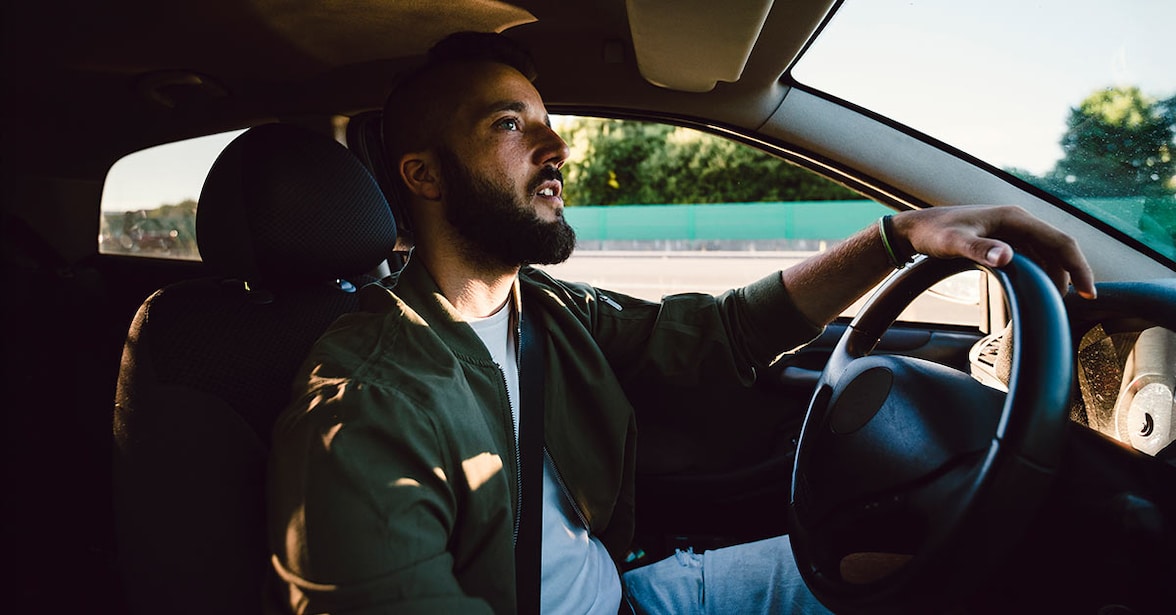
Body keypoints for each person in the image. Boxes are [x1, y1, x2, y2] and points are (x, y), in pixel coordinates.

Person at [265, 32, 1095, 615]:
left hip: (628, 595)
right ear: (425, 176)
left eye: (548, 123)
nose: (557, 148)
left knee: (915, 571)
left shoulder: (544, 309)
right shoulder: (366, 406)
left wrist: (898, 236)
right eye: (510, 125)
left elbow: (725, 335)